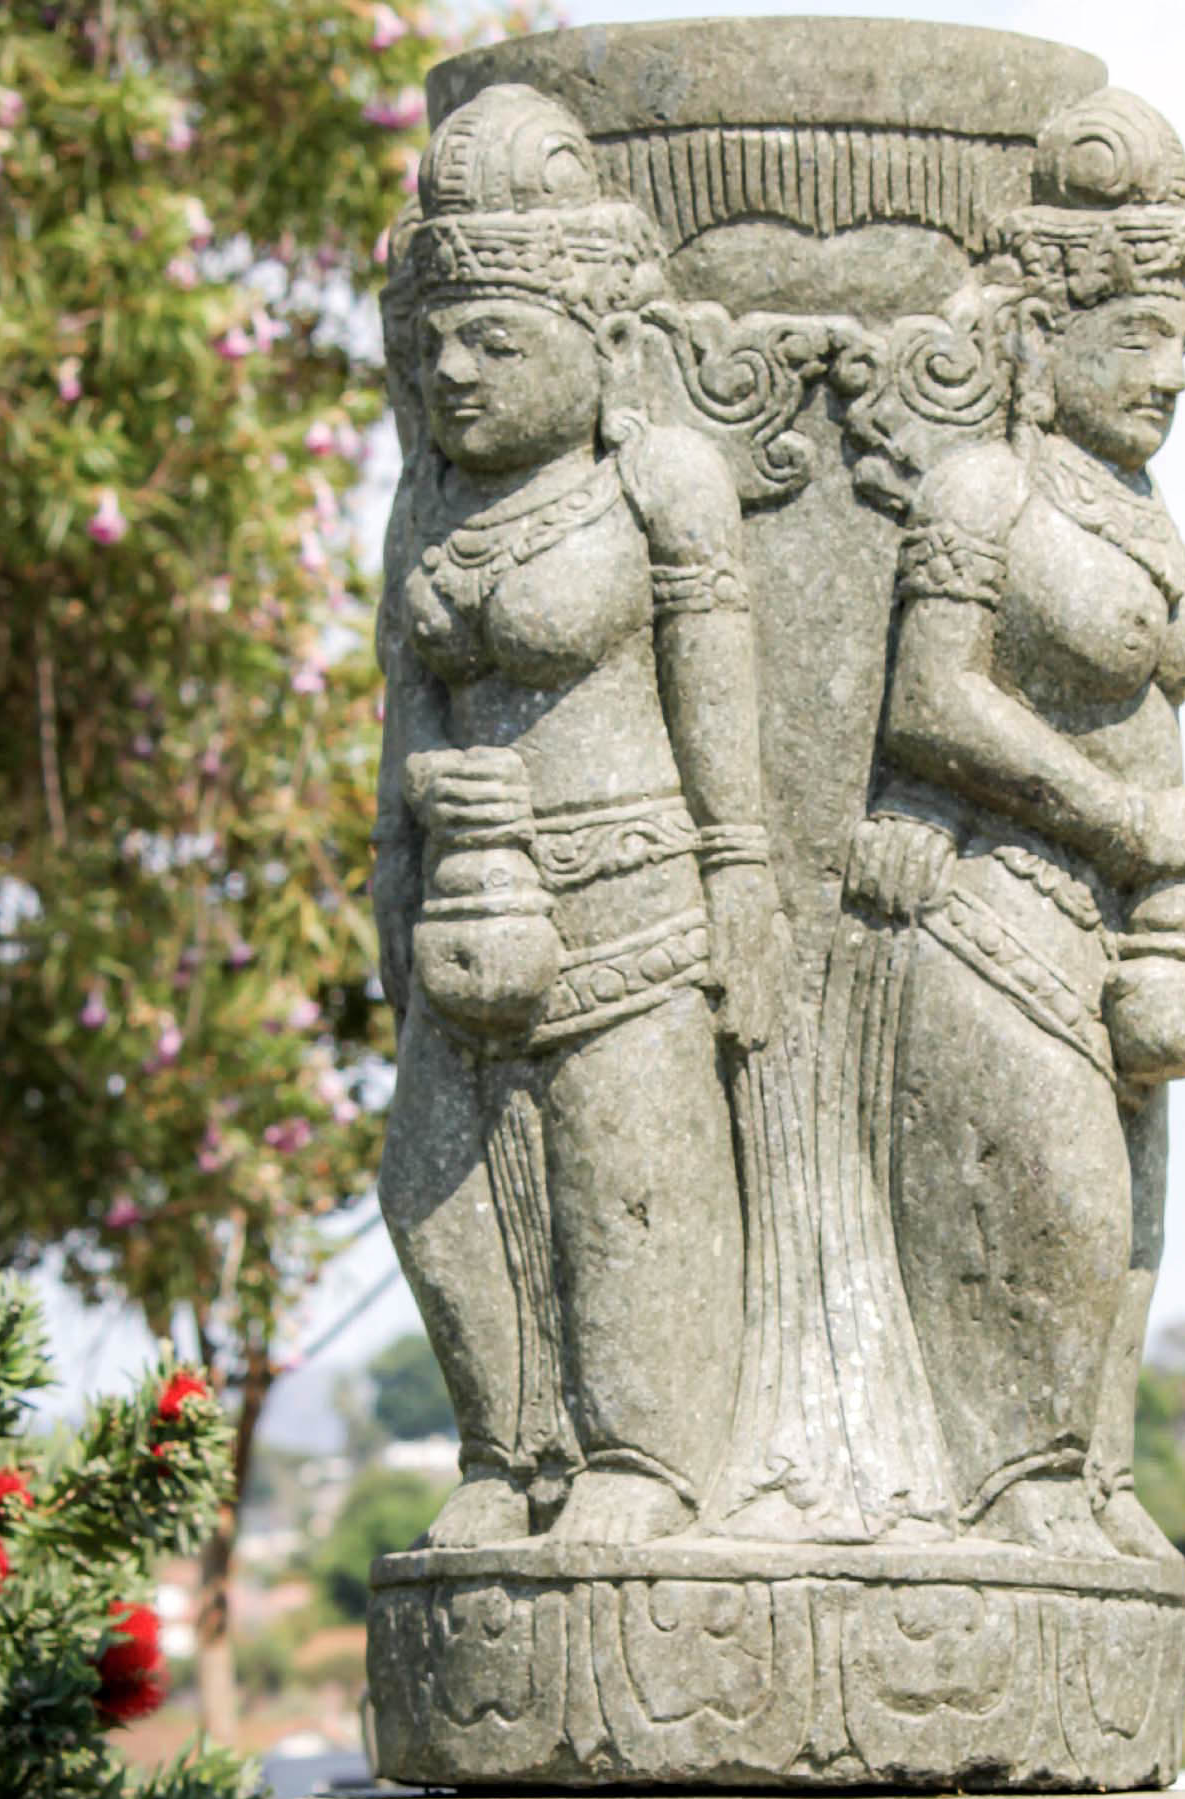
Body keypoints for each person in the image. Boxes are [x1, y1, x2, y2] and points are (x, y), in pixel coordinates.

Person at [826, 88, 1185, 1558]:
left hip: (1137, 939)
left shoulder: (1137, 508)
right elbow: (927, 704)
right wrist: (1122, 821)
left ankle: (1091, 1485)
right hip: (998, 906)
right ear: (1042, 334)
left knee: (1130, 1237)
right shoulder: (981, 488)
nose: (1167, 375)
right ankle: (1010, 1494)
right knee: (1045, 1221)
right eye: (1132, 337)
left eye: (1176, 340)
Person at [372, 84, 782, 1548]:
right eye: (435, 345)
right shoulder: (427, 507)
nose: (454, 372)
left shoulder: (653, 476)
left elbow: (713, 689)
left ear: (599, 346)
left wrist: (742, 874)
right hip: (465, 899)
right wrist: (393, 883)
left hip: (632, 883)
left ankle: (645, 1458)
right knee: (432, 1186)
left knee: (634, 1185)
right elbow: (402, 711)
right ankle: (506, 1454)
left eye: (495, 341)